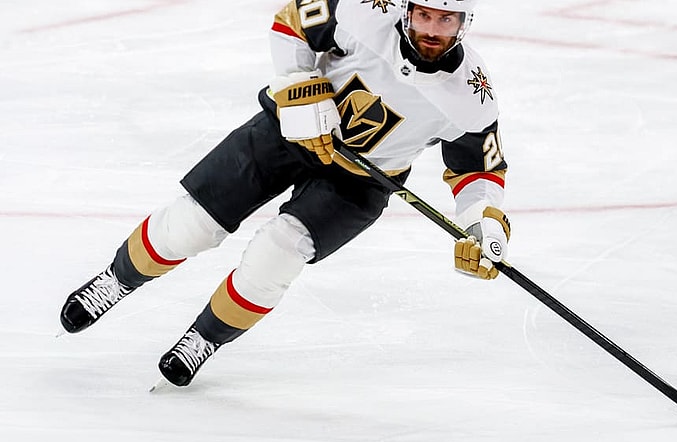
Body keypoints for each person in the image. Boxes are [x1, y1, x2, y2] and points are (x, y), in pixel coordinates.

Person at [60, 0, 510, 387]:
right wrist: (298, 84)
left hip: (358, 183)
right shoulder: (363, 10)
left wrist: (483, 223)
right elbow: (294, 19)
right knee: (190, 226)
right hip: (286, 133)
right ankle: (115, 281)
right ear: (406, 8)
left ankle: (205, 338)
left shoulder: (473, 96)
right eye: (424, 14)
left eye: (446, 20)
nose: (432, 29)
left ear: (465, 22)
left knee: (276, 256)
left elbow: (478, 172)